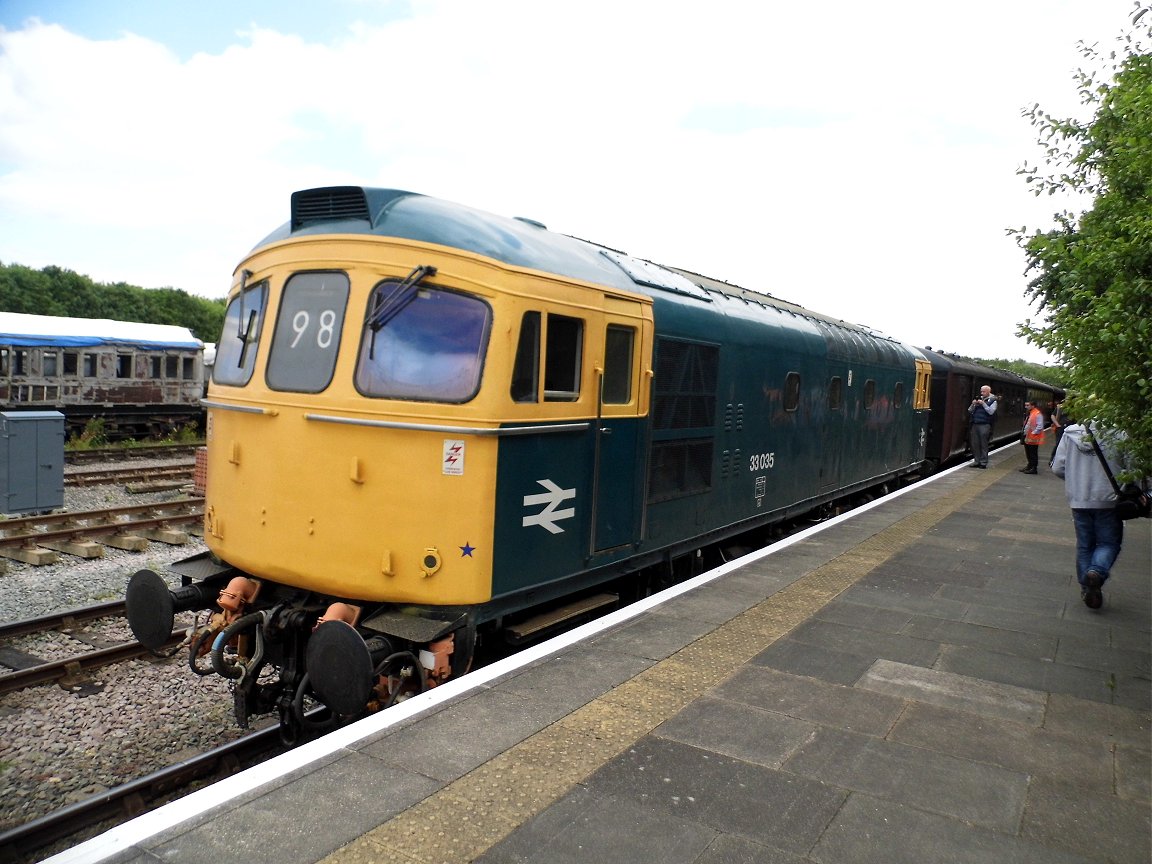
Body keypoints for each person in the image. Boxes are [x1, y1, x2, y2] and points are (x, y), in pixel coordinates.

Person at [1051, 421, 1128, 610]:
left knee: (1085, 545)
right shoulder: (1119, 431)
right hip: (1109, 499)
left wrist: (1075, 482)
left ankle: (1087, 587)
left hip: (1079, 499)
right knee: (1108, 543)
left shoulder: (1070, 432)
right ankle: (1096, 572)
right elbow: (1132, 466)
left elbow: (1057, 468)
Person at [967, 385, 997, 468]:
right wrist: (973, 404)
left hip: (985, 424)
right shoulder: (978, 399)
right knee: (975, 444)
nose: (982, 393)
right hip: (975, 424)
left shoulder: (993, 400)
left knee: (983, 444)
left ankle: (983, 462)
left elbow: (991, 412)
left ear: (988, 392)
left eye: (983, 392)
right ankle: (976, 461)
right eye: (981, 391)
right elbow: (970, 411)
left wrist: (983, 404)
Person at [1019, 400, 1045, 474]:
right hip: (1027, 436)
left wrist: (1033, 433)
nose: (1026, 407)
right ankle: (1029, 466)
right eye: (1025, 405)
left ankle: (1034, 468)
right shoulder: (1030, 413)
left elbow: (1040, 426)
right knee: (1028, 452)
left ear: (1033, 406)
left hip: (1033, 437)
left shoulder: (1037, 413)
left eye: (1028, 405)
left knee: (1033, 453)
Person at [1048, 400, 1067, 466]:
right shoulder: (1060, 407)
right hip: (1061, 428)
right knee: (1058, 443)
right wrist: (1057, 424)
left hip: (1070, 428)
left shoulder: (1075, 408)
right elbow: (1053, 416)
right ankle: (1053, 459)